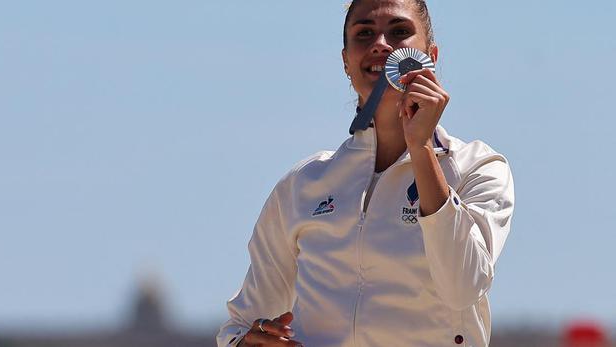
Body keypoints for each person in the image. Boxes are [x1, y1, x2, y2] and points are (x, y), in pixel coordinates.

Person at [217, 0, 515, 346]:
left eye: (400, 32)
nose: (381, 45)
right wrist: (249, 342)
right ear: (346, 61)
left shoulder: (477, 167)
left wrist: (420, 148)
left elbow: (463, 286)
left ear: (430, 55)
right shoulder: (303, 185)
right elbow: (239, 326)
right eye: (365, 34)